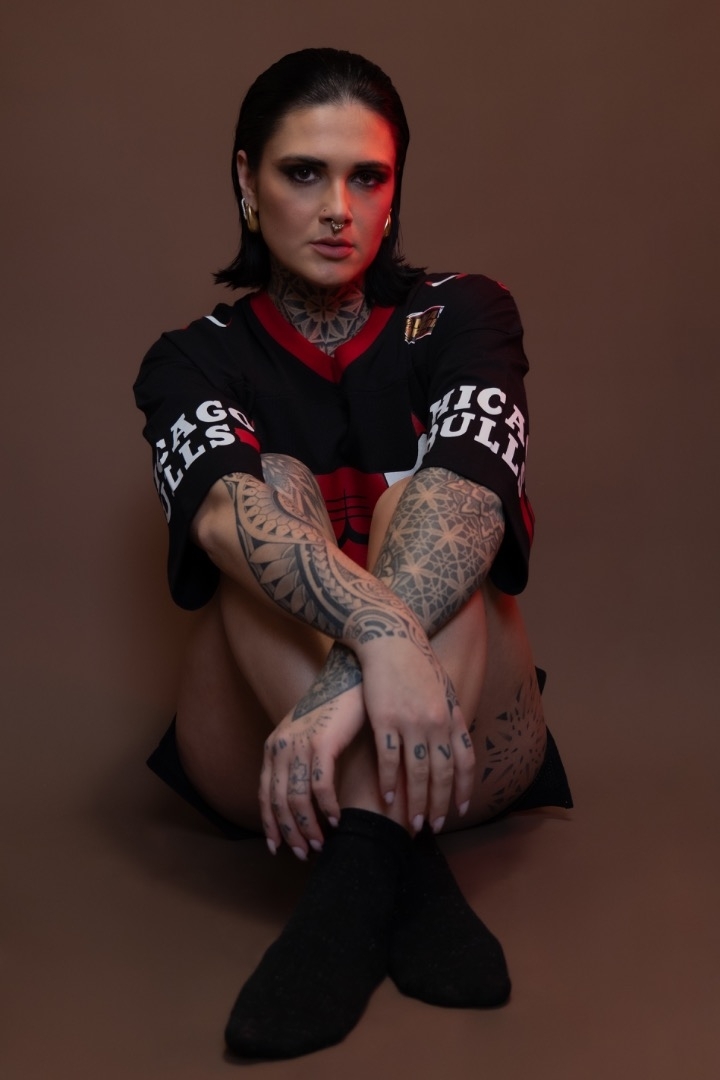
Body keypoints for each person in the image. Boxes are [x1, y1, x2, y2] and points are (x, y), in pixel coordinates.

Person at [134, 47, 572, 1060]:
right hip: (263, 758)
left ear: (394, 189)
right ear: (247, 181)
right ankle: (396, 870)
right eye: (304, 172)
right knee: (264, 495)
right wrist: (378, 637)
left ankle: (353, 883)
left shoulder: (466, 311)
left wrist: (355, 676)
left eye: (367, 177)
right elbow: (220, 519)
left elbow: (475, 500)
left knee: (431, 502)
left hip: (462, 739)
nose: (338, 208)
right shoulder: (192, 359)